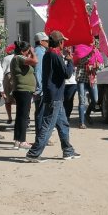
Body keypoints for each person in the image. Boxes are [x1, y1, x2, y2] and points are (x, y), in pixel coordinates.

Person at [26, 30, 80, 162]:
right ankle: (34, 153)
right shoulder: (55, 55)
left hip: (54, 95)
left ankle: (68, 150)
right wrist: (70, 61)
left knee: (63, 124)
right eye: (63, 41)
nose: (64, 44)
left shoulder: (49, 54)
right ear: (60, 42)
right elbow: (66, 74)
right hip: (55, 95)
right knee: (48, 125)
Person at [10, 41, 38, 149]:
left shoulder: (18, 58)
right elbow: (35, 61)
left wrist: (29, 52)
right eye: (28, 50)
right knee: (23, 117)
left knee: (20, 116)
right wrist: (33, 52)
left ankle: (18, 140)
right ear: (23, 51)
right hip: (23, 90)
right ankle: (22, 141)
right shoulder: (19, 58)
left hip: (22, 90)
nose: (29, 52)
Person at [74, 44, 101, 129]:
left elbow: (100, 64)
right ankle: (81, 122)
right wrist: (90, 55)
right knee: (82, 101)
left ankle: (87, 114)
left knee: (95, 99)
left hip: (92, 78)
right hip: (81, 77)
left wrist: (97, 66)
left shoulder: (96, 51)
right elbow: (79, 62)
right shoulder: (80, 49)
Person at [33, 32, 49, 137]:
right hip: (41, 88)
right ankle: (41, 136)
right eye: (46, 41)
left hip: (41, 86)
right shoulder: (39, 52)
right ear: (40, 42)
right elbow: (38, 71)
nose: (48, 42)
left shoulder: (40, 51)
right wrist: (39, 88)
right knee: (41, 113)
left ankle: (41, 136)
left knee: (41, 112)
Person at [2, 43, 16, 124]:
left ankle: (9, 117)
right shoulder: (19, 57)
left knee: (7, 99)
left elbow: (3, 70)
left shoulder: (6, 58)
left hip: (8, 77)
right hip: (16, 77)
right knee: (18, 99)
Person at [63, 46, 77, 122]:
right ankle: (64, 116)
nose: (67, 49)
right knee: (63, 100)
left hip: (72, 82)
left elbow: (76, 68)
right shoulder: (60, 57)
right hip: (63, 82)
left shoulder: (75, 57)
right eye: (66, 47)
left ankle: (67, 115)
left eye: (69, 47)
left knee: (70, 100)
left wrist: (71, 60)